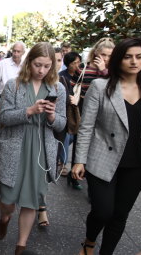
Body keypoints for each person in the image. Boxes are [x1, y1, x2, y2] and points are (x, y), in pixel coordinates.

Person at [0, 42, 66, 255]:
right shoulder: (14, 85)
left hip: (40, 149)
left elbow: (61, 123)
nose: (41, 70)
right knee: (7, 201)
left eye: (47, 66)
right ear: (29, 62)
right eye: (37, 65)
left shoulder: (58, 88)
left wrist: (51, 115)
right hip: (14, 147)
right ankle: (4, 218)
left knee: (31, 201)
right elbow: (3, 117)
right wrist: (29, 110)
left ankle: (21, 245)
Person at [72, 38, 141, 255]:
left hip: (136, 164)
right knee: (103, 211)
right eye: (128, 56)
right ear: (119, 59)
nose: (134, 62)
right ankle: (90, 241)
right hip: (103, 158)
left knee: (120, 214)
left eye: (139, 57)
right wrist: (79, 160)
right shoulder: (101, 86)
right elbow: (86, 127)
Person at [57, 51, 83, 188]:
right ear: (68, 64)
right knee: (67, 137)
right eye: (74, 63)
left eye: (79, 62)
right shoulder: (62, 77)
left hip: (79, 111)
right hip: (67, 112)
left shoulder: (82, 76)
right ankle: (63, 162)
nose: (77, 65)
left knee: (73, 138)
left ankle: (62, 158)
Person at [73, 37, 115, 111]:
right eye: (103, 54)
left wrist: (103, 70)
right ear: (96, 52)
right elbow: (72, 85)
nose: (106, 58)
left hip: (105, 107)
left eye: (110, 56)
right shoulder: (83, 67)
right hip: (83, 106)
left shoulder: (114, 69)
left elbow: (115, 86)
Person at [0, 42, 26, 113]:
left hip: (21, 100)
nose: (15, 54)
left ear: (23, 52)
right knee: (3, 122)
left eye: (18, 51)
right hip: (4, 99)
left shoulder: (26, 65)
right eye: (14, 51)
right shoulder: (3, 64)